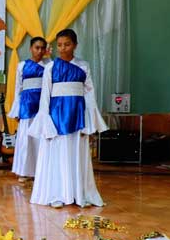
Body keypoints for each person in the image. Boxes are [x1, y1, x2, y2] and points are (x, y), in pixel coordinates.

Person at [29, 29, 107, 208]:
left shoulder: (83, 66)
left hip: (77, 116)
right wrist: (46, 122)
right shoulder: (50, 68)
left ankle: (78, 193)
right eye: (60, 45)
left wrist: (89, 122)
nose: (63, 48)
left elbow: (89, 95)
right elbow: (45, 97)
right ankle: (56, 194)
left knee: (76, 154)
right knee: (57, 155)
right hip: (56, 118)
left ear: (75, 45)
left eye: (67, 44)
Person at [9, 37, 49, 183]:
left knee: (41, 138)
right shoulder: (22, 66)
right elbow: (17, 88)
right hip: (26, 104)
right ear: (31, 48)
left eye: (42, 48)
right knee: (26, 139)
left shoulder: (49, 66)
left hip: (42, 104)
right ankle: (24, 172)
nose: (39, 51)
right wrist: (16, 110)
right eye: (36, 47)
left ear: (45, 50)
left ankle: (41, 170)